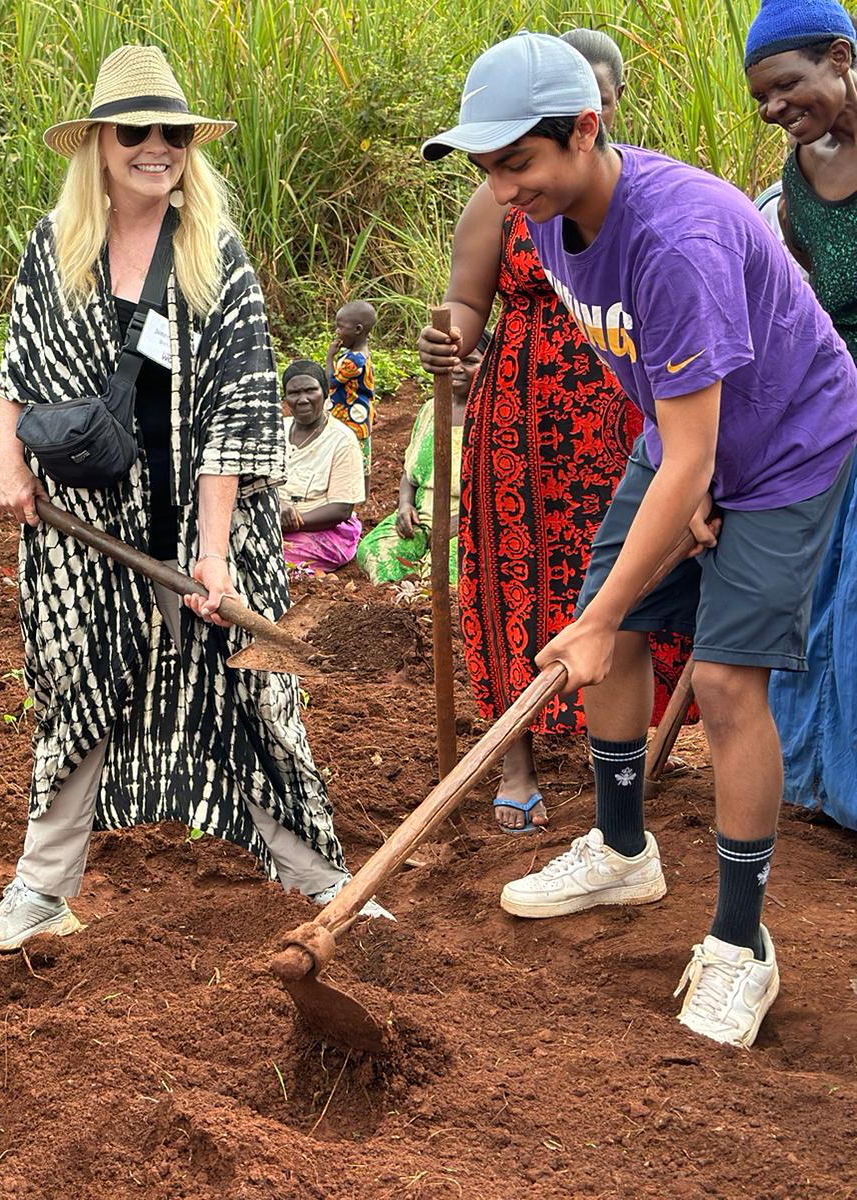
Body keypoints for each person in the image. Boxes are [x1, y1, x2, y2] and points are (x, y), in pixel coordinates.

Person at [423, 32, 857, 1046]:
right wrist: (678, 491)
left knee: (721, 683)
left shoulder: (677, 237)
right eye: (486, 167)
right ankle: (623, 852)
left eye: (516, 161)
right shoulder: (545, 217)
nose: (501, 188)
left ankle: (740, 945)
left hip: (790, 446)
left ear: (587, 127)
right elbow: (652, 387)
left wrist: (693, 483)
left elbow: (699, 447)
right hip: (684, 438)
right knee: (607, 634)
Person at [0, 44, 387, 954]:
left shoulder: (217, 258)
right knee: (79, 691)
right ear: (100, 145)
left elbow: (239, 412)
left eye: (171, 133)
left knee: (248, 693)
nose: (154, 146)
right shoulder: (56, 248)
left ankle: (321, 881)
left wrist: (211, 549)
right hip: (85, 530)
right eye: (135, 131)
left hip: (209, 522)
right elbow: (18, 364)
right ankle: (41, 890)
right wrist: (10, 462)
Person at [417, 28, 693, 833]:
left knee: (624, 574)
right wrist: (452, 340)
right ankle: (516, 758)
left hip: (625, 406)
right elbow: (469, 301)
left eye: (605, 102)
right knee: (516, 572)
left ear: (602, 113)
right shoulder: (505, 196)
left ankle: (625, 758)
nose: (598, 112)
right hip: (525, 416)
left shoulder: (638, 199)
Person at [745, 3, 857, 832]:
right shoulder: (795, 175)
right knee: (815, 591)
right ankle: (812, 775)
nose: (776, 109)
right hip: (830, 405)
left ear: (841, 58)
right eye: (763, 100)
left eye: (787, 86)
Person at [358, 335, 486, 586]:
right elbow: (409, 474)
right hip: (421, 519)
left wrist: (462, 522)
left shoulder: (495, 414)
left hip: (469, 524)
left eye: (469, 361)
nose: (457, 368)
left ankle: (425, 601)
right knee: (376, 550)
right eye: (452, 361)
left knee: (450, 570)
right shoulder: (430, 410)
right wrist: (405, 507)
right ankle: (400, 601)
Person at [278, 359, 365, 571]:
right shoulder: (277, 431)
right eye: (294, 393)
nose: (303, 400)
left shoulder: (341, 439)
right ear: (285, 398)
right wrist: (276, 511)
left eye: (310, 391)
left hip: (325, 531)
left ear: (325, 394)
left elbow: (341, 509)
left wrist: (292, 521)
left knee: (271, 556)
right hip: (275, 520)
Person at [325, 300, 376, 464]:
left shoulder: (354, 360)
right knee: (361, 464)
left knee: (355, 465)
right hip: (358, 416)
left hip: (351, 421)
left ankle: (362, 491)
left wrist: (329, 357)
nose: (337, 332)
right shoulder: (358, 354)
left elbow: (330, 383)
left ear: (358, 330)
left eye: (340, 327)